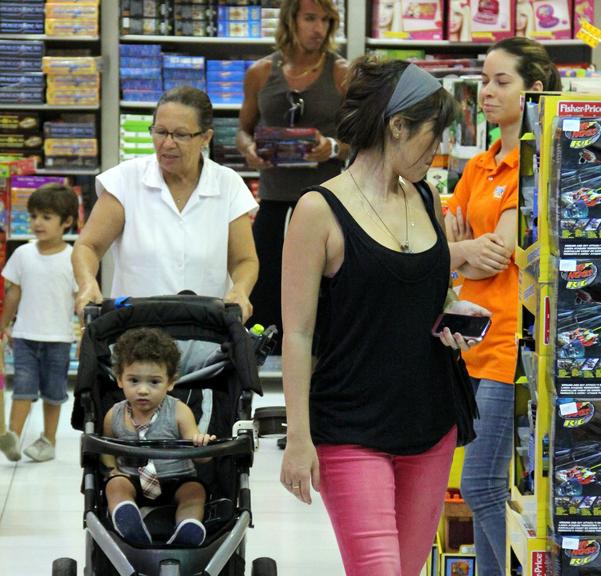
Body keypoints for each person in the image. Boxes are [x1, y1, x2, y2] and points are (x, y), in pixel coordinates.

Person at [279, 57, 490, 576]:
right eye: (432, 135)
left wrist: (452, 316)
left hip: (431, 420)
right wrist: (299, 438)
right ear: (396, 126)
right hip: (351, 425)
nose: (437, 149)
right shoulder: (317, 211)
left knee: (409, 568)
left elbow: (429, 294)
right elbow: (298, 332)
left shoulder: (426, 196)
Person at [445, 37, 561, 576]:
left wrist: (463, 250)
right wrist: (462, 251)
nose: (485, 92)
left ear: (533, 89)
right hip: (463, 340)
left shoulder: (533, 167)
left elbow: (491, 257)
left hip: (506, 346)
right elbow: (447, 249)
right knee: (486, 486)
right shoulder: (481, 162)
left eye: (500, 81)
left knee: (482, 484)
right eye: (484, 80)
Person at [72, 86, 258, 322]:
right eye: (160, 132)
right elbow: (88, 246)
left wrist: (240, 290)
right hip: (135, 335)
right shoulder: (125, 180)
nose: (167, 144)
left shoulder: (228, 184)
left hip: (207, 332)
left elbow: (244, 260)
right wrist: (87, 284)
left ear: (206, 138)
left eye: (180, 135)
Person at [236, 0, 349, 351]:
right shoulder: (260, 72)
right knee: (265, 287)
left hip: (327, 201)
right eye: (310, 18)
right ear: (291, 20)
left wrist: (331, 147)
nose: (318, 28)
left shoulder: (341, 73)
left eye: (325, 20)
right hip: (274, 201)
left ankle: (321, 368)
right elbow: (243, 130)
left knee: (325, 291)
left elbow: (360, 138)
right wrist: (248, 150)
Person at [102, 327, 215, 547]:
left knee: (195, 491)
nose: (143, 390)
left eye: (154, 382)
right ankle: (128, 519)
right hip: (133, 479)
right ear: (119, 380)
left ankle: (188, 526)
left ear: (170, 382)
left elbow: (194, 442)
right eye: (134, 380)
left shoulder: (179, 411)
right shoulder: (114, 415)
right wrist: (110, 469)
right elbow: (106, 447)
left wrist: (201, 444)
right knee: (115, 485)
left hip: (177, 479)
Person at [0, 183, 79, 462]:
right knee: (22, 387)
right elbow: (14, 292)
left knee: (53, 393)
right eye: (33, 216)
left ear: (66, 222)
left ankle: (48, 440)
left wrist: (87, 332)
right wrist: (2, 326)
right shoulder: (23, 253)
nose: (37, 223)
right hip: (24, 337)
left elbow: (80, 297)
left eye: (46, 217)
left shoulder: (75, 258)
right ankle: (12, 437)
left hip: (58, 339)